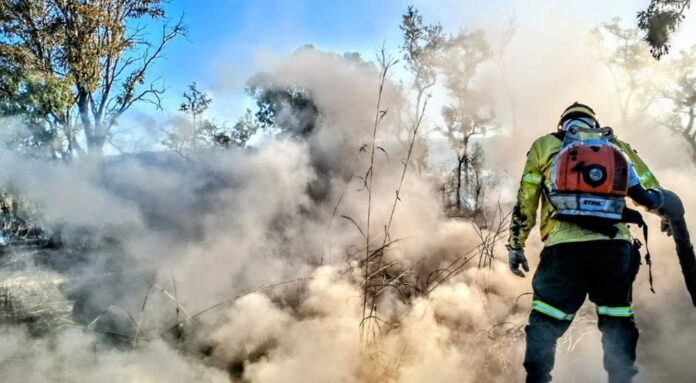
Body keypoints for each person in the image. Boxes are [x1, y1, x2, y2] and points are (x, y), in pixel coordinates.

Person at [507, 102, 668, 383]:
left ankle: (537, 379)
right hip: (614, 249)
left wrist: (517, 244)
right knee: (616, 319)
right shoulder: (616, 145)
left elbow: (527, 198)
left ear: (563, 124)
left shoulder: (544, 145)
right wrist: (664, 213)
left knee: (545, 322)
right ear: (594, 123)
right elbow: (647, 186)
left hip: (563, 249)